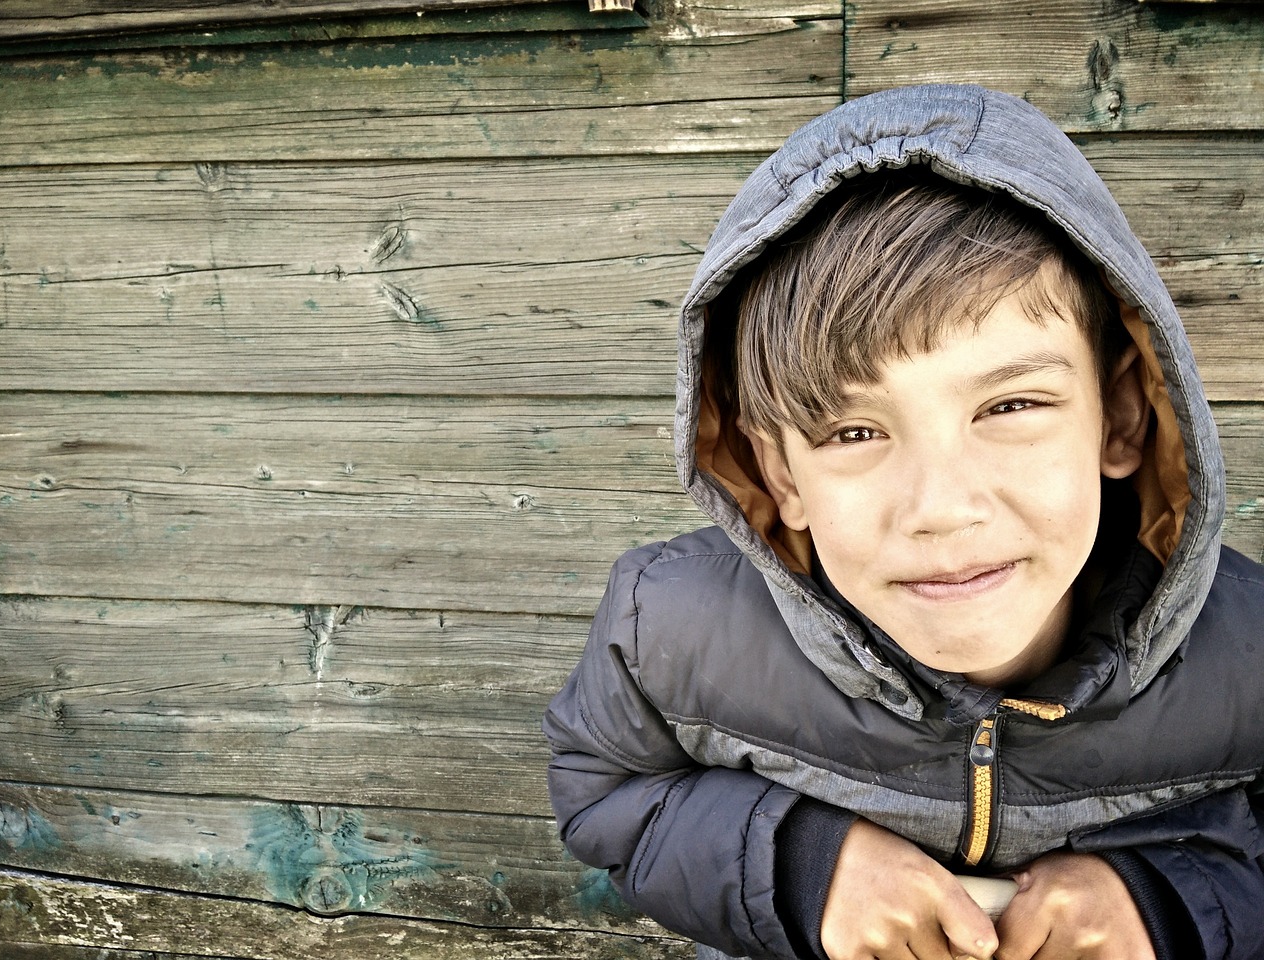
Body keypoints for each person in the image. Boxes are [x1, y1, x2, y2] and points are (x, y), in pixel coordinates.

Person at [542, 84, 1264, 960]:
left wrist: (1166, 901)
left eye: (1010, 405)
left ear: (1118, 417)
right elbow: (607, 790)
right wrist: (802, 867)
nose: (942, 508)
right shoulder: (669, 629)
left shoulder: (1250, 653)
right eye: (853, 431)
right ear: (781, 474)